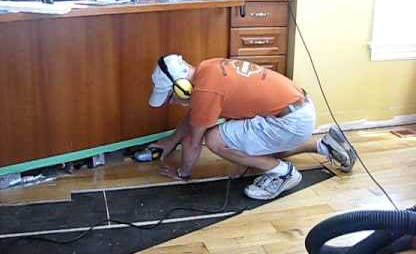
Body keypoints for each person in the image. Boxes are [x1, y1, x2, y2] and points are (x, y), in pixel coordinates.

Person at [146, 54, 357, 200]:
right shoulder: (207, 69)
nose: (171, 102)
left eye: (170, 96)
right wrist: (171, 142)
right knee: (259, 149)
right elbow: (195, 116)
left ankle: (283, 173)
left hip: (288, 123)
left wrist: (183, 173)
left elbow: (193, 140)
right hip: (298, 111)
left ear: (182, 87)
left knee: (214, 139)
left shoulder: (205, 91)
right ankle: (324, 145)